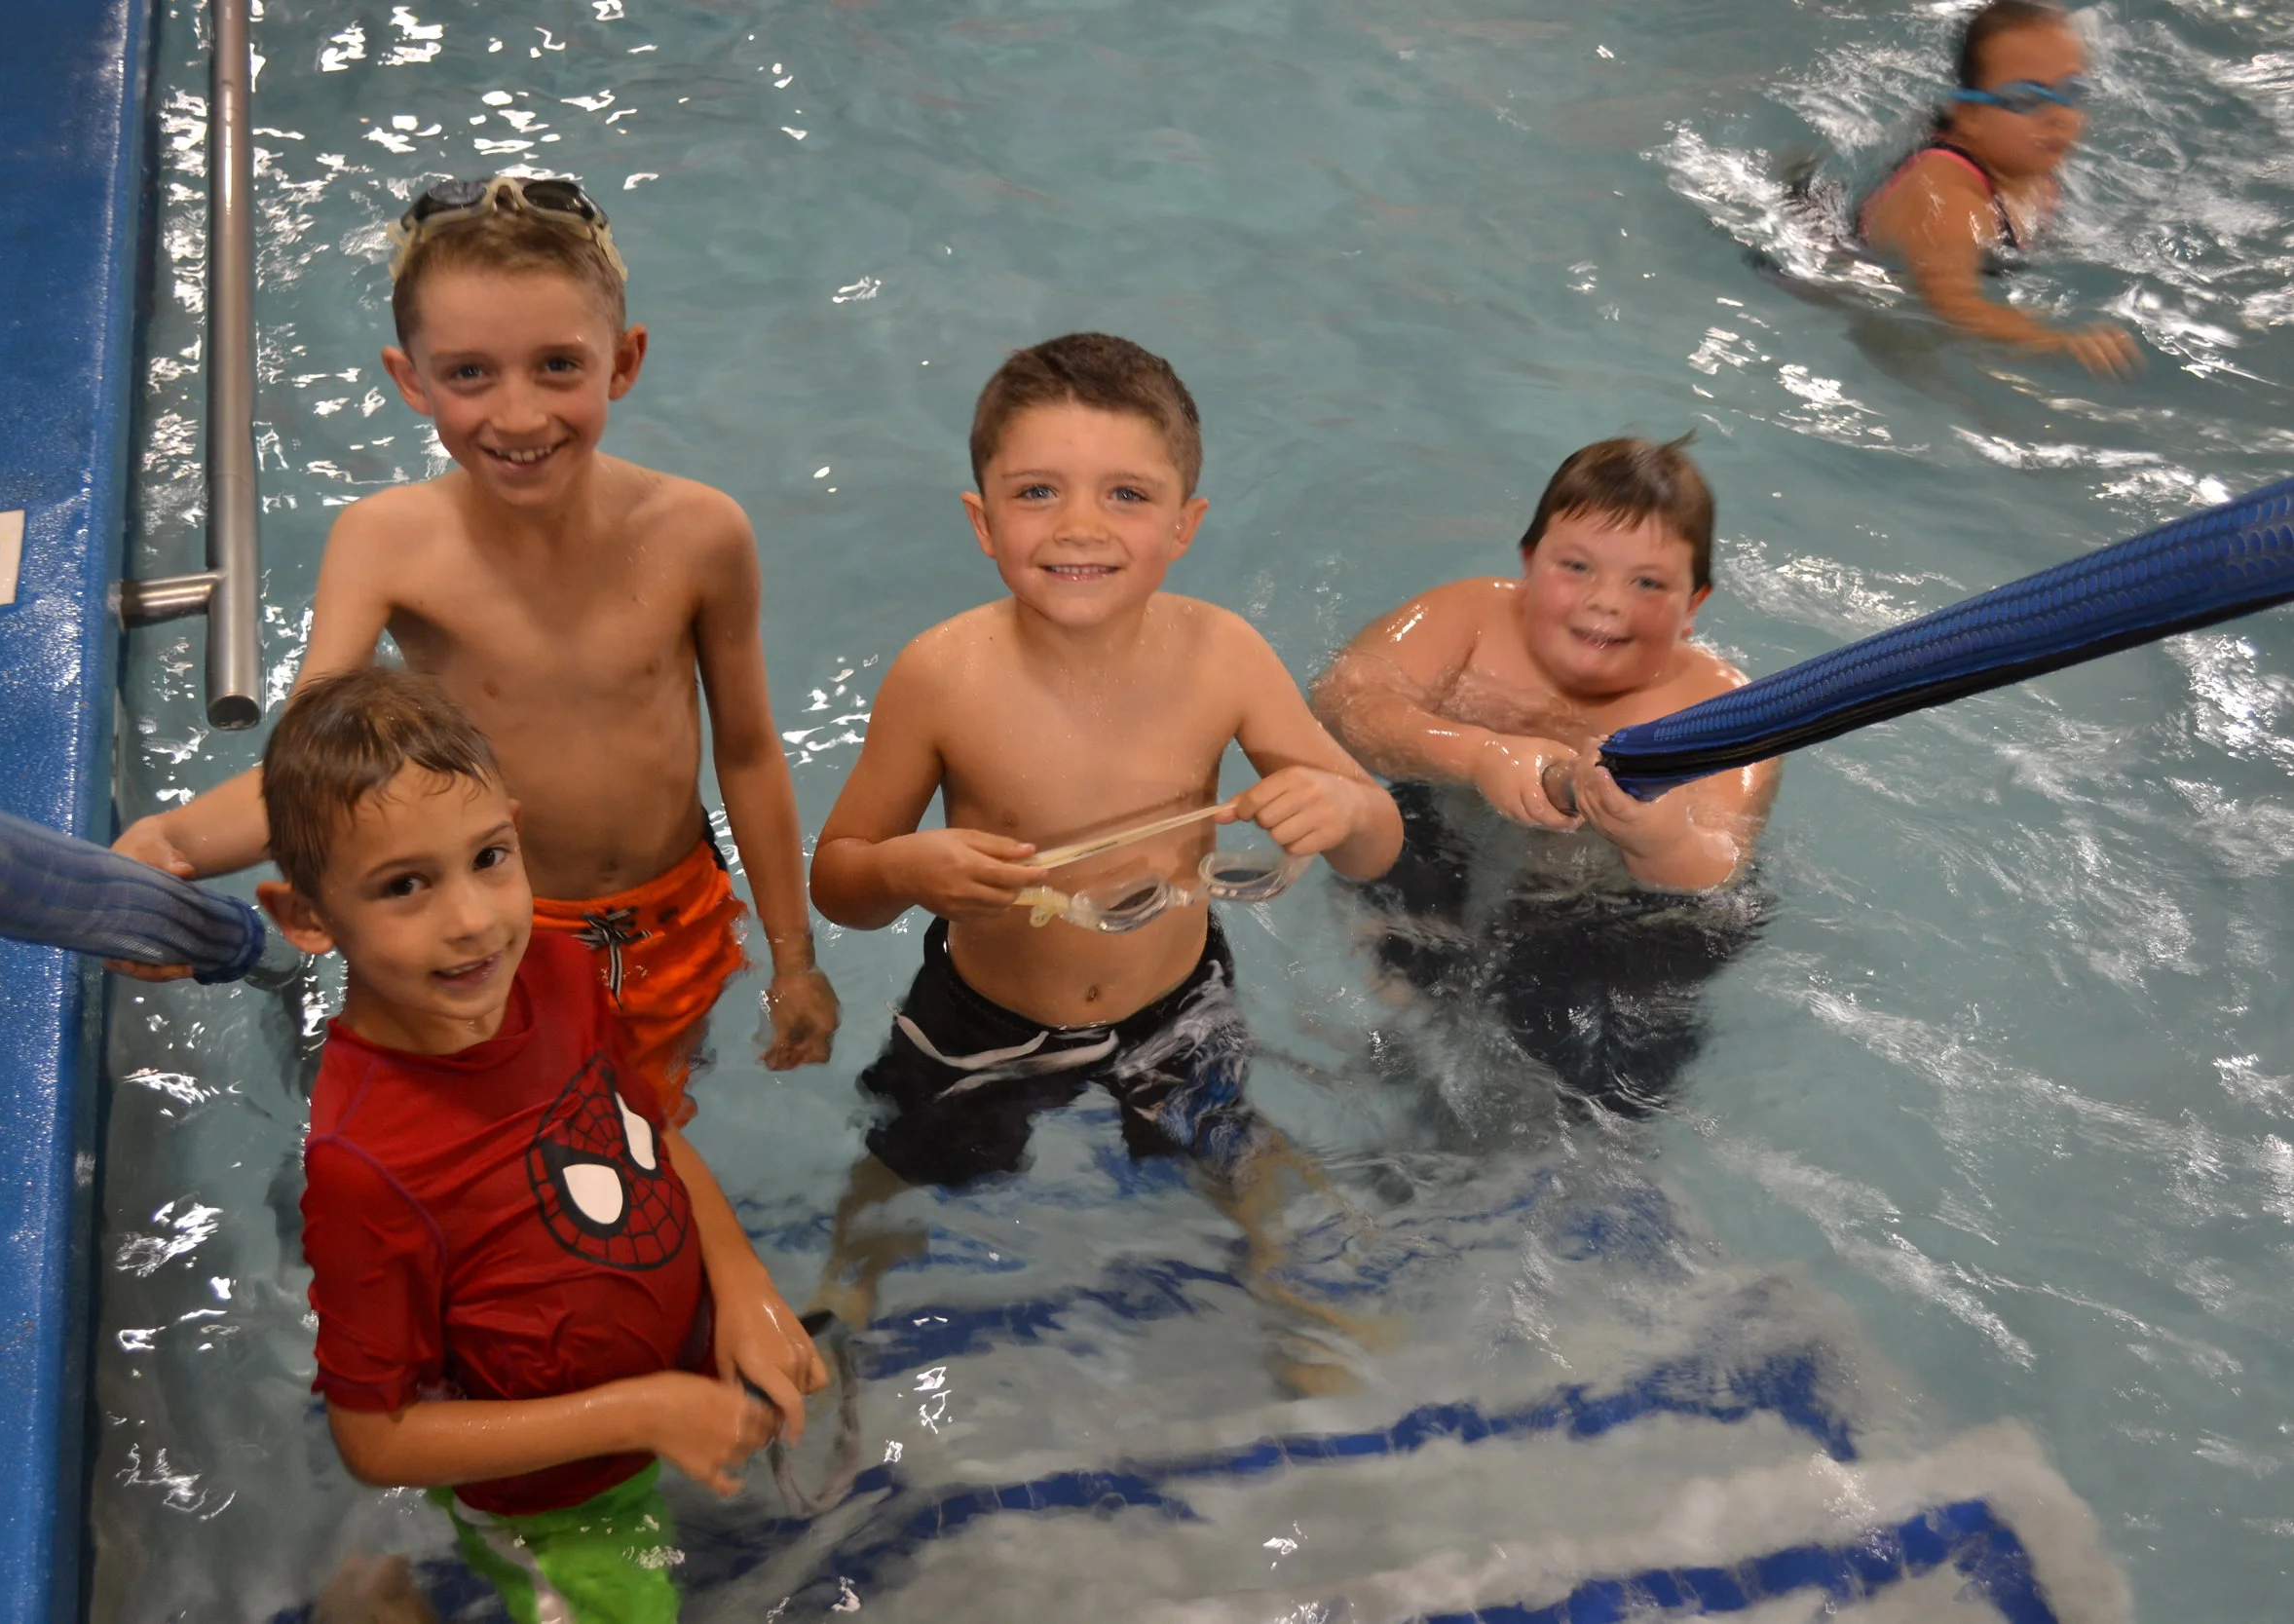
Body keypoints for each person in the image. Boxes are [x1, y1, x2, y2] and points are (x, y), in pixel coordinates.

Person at [113, 175, 837, 1121]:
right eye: (469, 374)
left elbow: (747, 750)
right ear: (409, 378)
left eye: (557, 365)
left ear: (623, 361)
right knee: (501, 1138)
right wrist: (171, 843)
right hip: (479, 932)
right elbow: (316, 769)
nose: (520, 415)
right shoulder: (386, 542)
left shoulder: (701, 532)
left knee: (647, 1126)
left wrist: (793, 956)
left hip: (672, 918)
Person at [805, 332, 1403, 1355]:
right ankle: (847, 1280)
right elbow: (841, 879)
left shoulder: (1224, 657)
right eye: (1037, 491)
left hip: (1176, 999)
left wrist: (1341, 810)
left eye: (1126, 494)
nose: (1079, 525)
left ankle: (1282, 1275)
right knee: (906, 1157)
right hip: (983, 1012)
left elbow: (1377, 844)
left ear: (1184, 523)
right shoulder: (942, 676)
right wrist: (906, 868)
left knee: (1221, 1141)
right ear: (981, 519)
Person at [256, 667, 826, 1624]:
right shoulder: (365, 1163)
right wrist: (640, 1410)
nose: (473, 919)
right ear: (307, 916)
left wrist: (742, 1285)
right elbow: (375, 1437)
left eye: (489, 857)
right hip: (553, 1501)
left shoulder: (557, 969)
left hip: (666, 1394)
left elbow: (646, 1134)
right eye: (404, 885)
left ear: (518, 832)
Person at [1310, 437, 1776, 1117]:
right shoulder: (1469, 618)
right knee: (1401, 944)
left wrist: (1659, 836)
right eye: (1576, 566)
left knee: (1602, 1047)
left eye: (1648, 583)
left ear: (1694, 602)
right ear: (1530, 562)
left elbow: (1719, 866)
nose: (1605, 602)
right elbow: (1346, 700)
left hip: (1613, 906)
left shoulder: (1722, 708)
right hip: (1454, 831)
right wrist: (1478, 754)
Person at [1857, 0, 2138, 377]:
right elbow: (1955, 309)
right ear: (1969, 115)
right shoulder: (1951, 206)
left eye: (2072, 92)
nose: (2058, 115)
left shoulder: (2030, 164)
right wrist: (2057, 342)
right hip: (1848, 278)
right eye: (2026, 98)